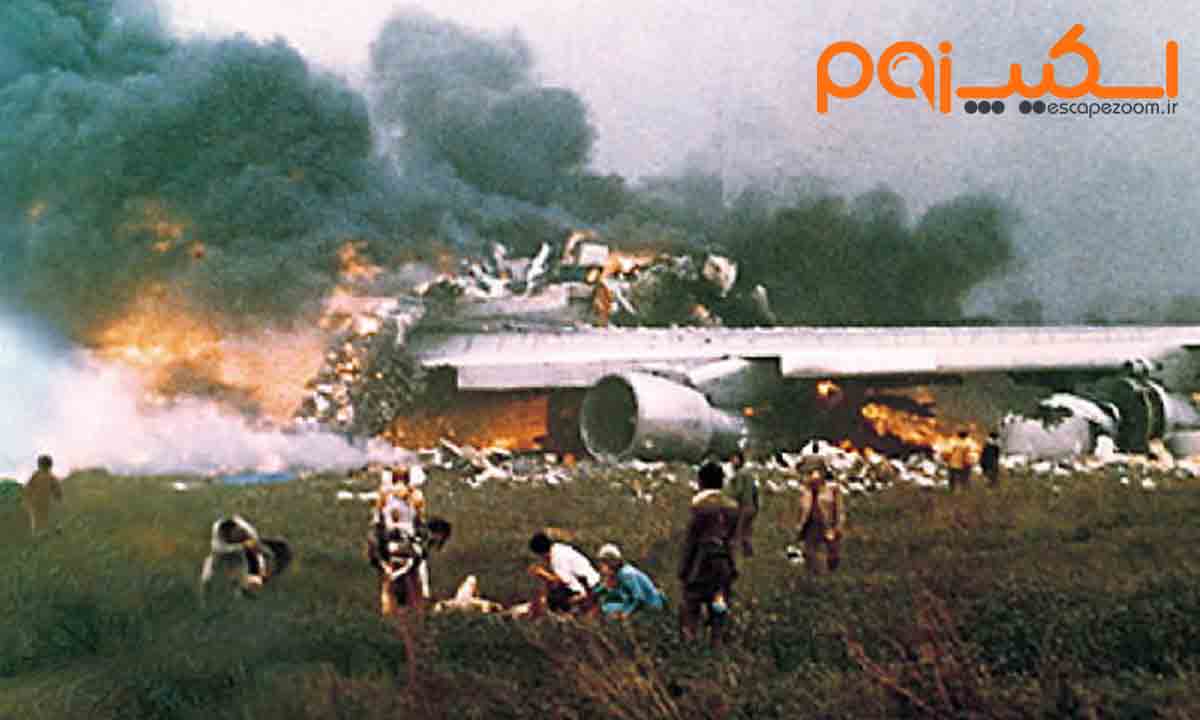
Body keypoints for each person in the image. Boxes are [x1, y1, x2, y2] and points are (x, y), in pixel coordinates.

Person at [678, 461, 740, 646]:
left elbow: (691, 540)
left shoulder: (699, 506)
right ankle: (717, 643)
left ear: (701, 481)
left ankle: (690, 645)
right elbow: (732, 540)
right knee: (718, 605)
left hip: (701, 563)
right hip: (724, 564)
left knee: (691, 605)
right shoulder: (732, 507)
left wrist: (683, 569)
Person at [527, 530, 601, 616]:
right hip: (590, 584)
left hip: (587, 588)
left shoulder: (557, 557)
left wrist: (542, 574)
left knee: (555, 599)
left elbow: (563, 581)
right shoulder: (559, 549)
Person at [795, 460, 846, 575]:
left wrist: (837, 528)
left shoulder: (832, 490)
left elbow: (839, 511)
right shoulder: (805, 491)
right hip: (810, 525)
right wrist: (799, 526)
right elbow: (801, 510)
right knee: (810, 553)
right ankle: (812, 574)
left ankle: (830, 572)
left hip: (827, 525)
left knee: (830, 553)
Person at [592, 543, 666, 620]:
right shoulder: (619, 573)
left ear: (612, 563)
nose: (601, 568)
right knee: (607, 607)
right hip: (637, 602)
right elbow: (606, 587)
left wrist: (624, 614)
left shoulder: (627, 575)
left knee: (608, 609)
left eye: (603, 565)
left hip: (650, 605)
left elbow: (639, 598)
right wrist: (594, 592)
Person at [724, 450, 760, 557]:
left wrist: (727, 496)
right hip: (751, 507)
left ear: (739, 460)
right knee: (746, 532)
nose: (732, 462)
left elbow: (738, 491)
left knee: (737, 532)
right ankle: (748, 554)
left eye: (734, 459)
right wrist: (756, 507)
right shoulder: (750, 474)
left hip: (743, 507)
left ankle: (733, 555)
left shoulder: (740, 474)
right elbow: (755, 491)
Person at [23, 454, 63, 536]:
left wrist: (27, 498)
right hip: (39, 501)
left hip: (39, 501)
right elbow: (28, 487)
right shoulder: (46, 476)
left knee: (40, 517)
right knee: (43, 516)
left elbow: (28, 487)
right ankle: (46, 531)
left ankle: (43, 531)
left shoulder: (39, 475)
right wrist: (58, 495)